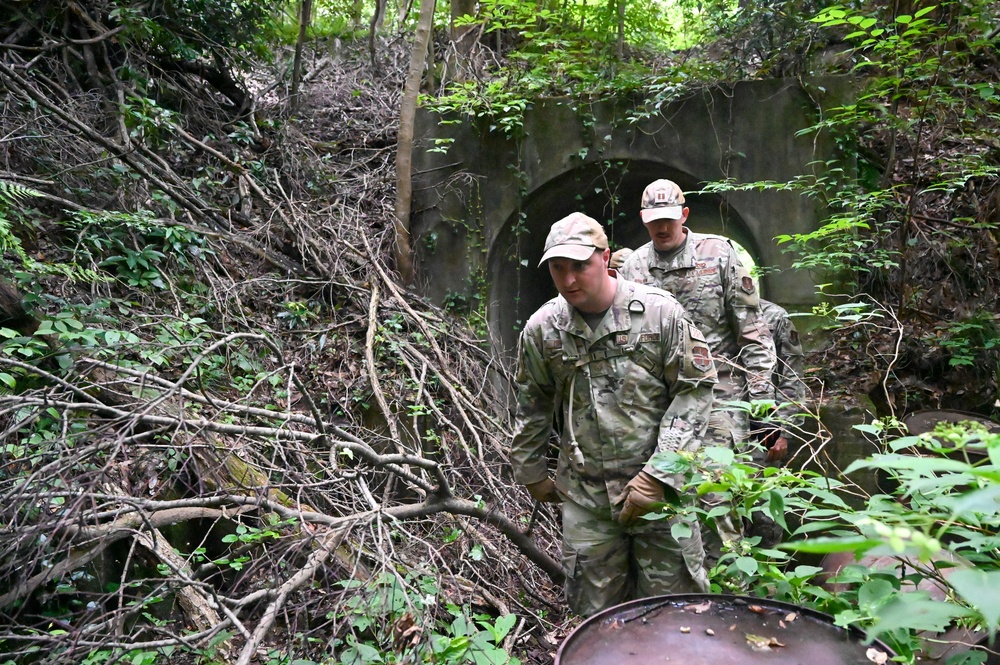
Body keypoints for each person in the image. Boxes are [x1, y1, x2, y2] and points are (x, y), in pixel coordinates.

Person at [510, 212, 718, 616]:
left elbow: (694, 391)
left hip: (661, 495)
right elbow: (532, 401)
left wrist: (660, 474)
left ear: (604, 258)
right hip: (587, 500)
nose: (569, 280)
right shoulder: (543, 328)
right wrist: (531, 470)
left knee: (674, 614)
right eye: (558, 268)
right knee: (597, 618)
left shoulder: (660, 314)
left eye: (579, 266)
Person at [618, 179, 777, 558]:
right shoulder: (633, 268)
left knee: (717, 508)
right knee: (665, 512)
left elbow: (752, 331)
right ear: (643, 219)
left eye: (670, 219)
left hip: (719, 400)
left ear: (684, 215)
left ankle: (735, 599)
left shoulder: (719, 254)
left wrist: (763, 406)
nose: (662, 227)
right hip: (657, 403)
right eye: (654, 220)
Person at [754, 298, 808, 463]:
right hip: (714, 423)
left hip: (762, 424)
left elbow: (791, 375)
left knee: (759, 484)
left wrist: (783, 431)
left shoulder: (774, 316)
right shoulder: (706, 314)